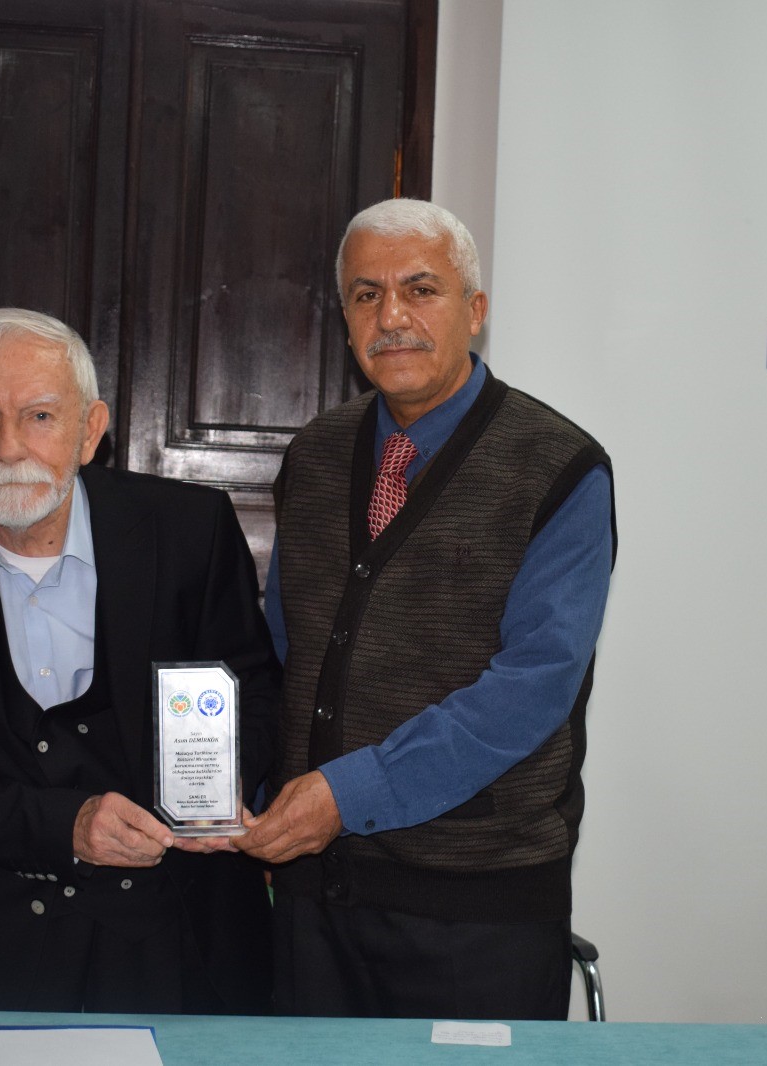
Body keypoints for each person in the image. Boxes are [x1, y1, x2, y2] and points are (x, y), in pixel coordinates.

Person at [234, 199, 616, 1020]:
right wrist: (257, 794)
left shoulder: (559, 467)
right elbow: (284, 651)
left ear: (474, 311)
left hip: (477, 912)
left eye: (420, 289)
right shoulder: (315, 454)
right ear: (345, 321)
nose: (391, 317)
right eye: (365, 295)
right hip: (310, 903)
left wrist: (346, 793)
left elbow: (531, 687)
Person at [0, 308, 278, 1013]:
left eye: (41, 416)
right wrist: (64, 826)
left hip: (181, 936)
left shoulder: (188, 531)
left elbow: (254, 693)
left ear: (90, 430)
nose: (10, 447)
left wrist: (216, 786)